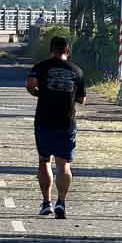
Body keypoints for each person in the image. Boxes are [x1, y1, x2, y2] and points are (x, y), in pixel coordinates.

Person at [25, 35, 86, 218]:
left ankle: (46, 202)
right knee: (64, 165)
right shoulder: (77, 71)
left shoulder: (41, 67)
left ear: (51, 50)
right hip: (66, 122)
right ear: (68, 50)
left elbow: (30, 85)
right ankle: (61, 202)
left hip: (44, 121)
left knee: (44, 161)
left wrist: (40, 94)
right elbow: (82, 99)